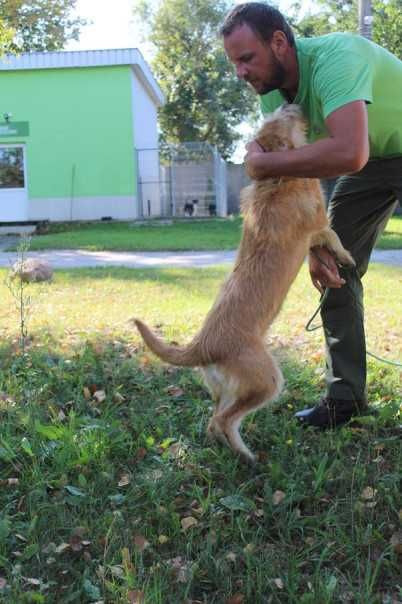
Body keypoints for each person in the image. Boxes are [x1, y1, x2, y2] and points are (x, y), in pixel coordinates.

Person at [220, 2, 402, 428]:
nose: (241, 72)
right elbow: (298, 168)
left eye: (247, 58)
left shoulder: (337, 59)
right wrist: (312, 239)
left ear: (279, 42)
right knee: (332, 268)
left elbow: (347, 151)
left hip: (368, 151)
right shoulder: (270, 91)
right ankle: (345, 399)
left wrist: (260, 164)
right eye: (234, 63)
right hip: (372, 161)